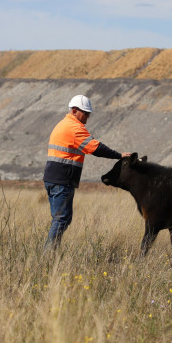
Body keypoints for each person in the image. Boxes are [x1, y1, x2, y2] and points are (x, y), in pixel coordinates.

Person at [43, 94, 129, 249]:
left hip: (54, 178)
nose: (88, 117)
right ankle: (48, 255)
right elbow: (95, 148)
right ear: (75, 111)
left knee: (62, 218)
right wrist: (119, 155)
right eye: (86, 113)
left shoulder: (63, 124)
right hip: (62, 180)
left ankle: (50, 252)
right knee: (61, 218)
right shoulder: (74, 128)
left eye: (89, 113)